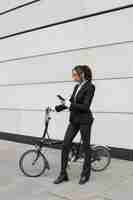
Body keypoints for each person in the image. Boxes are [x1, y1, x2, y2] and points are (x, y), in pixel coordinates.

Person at [53, 65, 95, 185]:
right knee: (65, 144)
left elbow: (86, 106)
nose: (73, 77)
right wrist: (55, 108)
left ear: (82, 75)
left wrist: (69, 104)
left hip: (85, 120)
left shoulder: (90, 87)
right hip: (74, 120)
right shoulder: (77, 86)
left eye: (75, 75)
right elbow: (70, 102)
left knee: (86, 147)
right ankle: (63, 174)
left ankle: (85, 175)